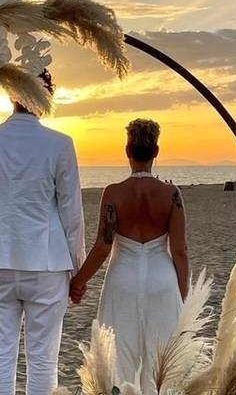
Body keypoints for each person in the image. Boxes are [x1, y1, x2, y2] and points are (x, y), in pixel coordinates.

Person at [0, 70, 85, 395]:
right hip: (47, 264)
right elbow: (72, 213)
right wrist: (79, 270)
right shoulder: (60, 144)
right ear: (47, 98)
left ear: (12, 94)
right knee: (43, 359)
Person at [70, 119, 188, 394]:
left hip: (122, 278)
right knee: (162, 363)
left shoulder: (113, 192)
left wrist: (78, 281)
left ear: (127, 150)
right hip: (162, 279)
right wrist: (183, 294)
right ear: (156, 151)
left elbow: (103, 245)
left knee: (119, 359)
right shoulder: (171, 194)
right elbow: (180, 250)